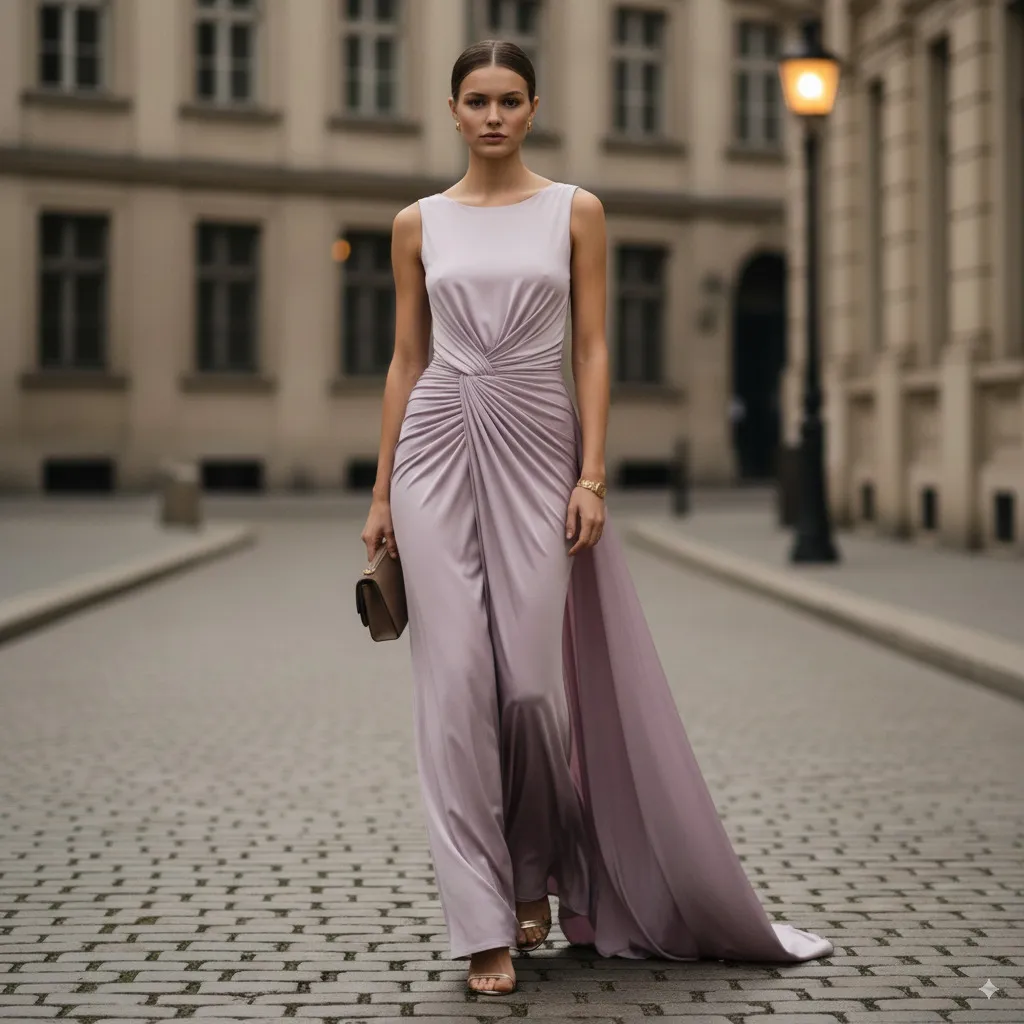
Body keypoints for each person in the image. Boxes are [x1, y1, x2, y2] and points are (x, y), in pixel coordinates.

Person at [360, 39, 834, 998]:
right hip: (436, 450)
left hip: (541, 450)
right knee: (453, 692)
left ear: (534, 108)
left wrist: (594, 474)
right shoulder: (417, 222)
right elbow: (406, 360)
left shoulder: (576, 211)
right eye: (476, 100)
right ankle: (484, 923)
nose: (493, 116)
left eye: (510, 100)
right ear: (453, 111)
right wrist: (379, 495)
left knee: (531, 692)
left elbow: (595, 345)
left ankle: (540, 870)